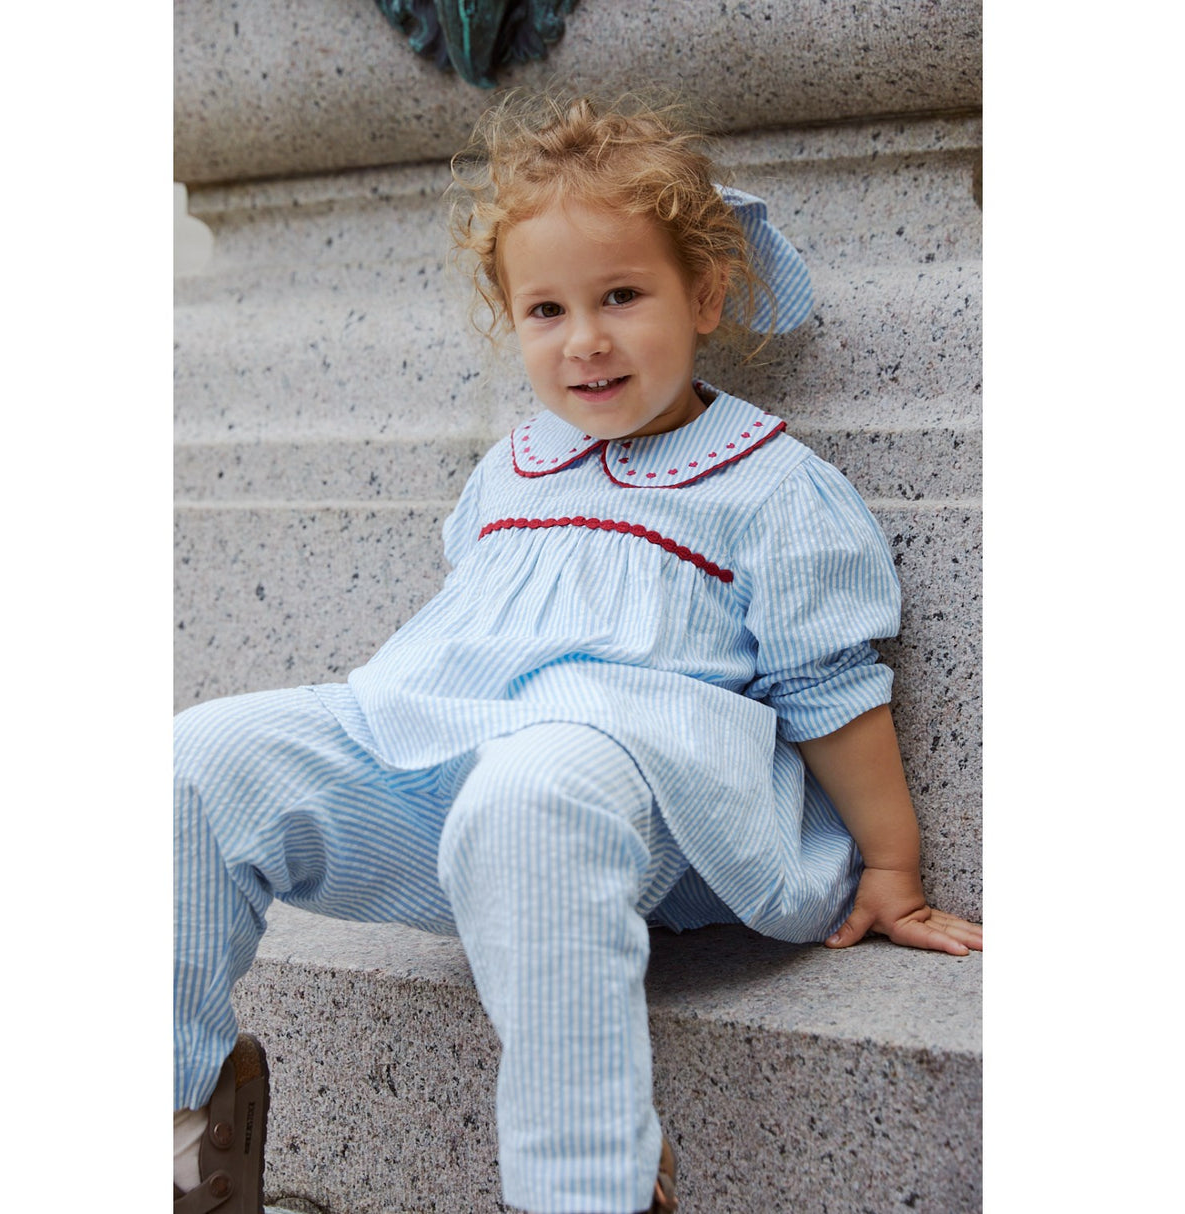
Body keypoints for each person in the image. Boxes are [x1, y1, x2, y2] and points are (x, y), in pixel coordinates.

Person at [174, 91, 983, 1214]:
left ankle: (587, 1186)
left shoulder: (767, 485)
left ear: (705, 295)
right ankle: (171, 1124)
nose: (585, 338)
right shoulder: (510, 468)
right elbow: (468, 641)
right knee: (200, 758)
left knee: (533, 787)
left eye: (621, 296)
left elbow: (827, 687)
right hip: (455, 768)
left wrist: (889, 864)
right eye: (546, 309)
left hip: (638, 795)